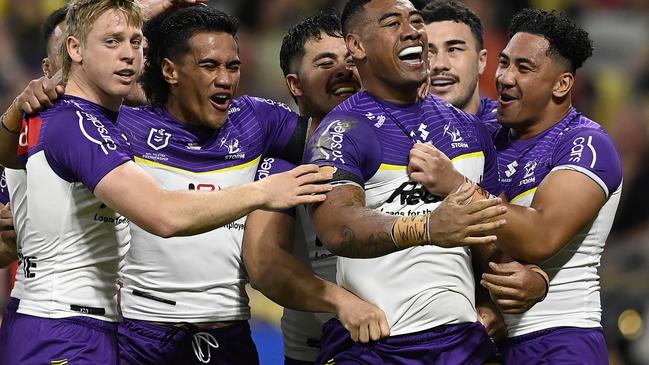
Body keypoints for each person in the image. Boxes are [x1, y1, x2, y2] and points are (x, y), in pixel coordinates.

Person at [0, 1, 331, 364]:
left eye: (135, 42)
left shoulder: (76, 119)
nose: (128, 55)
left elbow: (10, 152)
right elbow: (162, 215)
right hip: (69, 326)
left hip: (100, 327)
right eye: (112, 42)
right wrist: (264, 192)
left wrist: (14, 112)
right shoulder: (80, 123)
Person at [304, 0, 510, 363]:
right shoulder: (340, 131)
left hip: (463, 343)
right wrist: (428, 227)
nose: (412, 30)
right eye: (392, 22)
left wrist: (501, 297)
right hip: (375, 346)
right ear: (357, 46)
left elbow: (492, 237)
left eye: (416, 21)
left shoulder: (470, 130)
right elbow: (336, 226)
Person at [414, 7, 623, 364]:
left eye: (524, 68)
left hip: (560, 338)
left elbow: (541, 235)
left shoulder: (585, 144)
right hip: (486, 343)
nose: (506, 77)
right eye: (505, 63)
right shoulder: (488, 136)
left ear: (562, 84)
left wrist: (456, 184)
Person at [242, 12, 389, 365]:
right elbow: (264, 264)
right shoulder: (284, 165)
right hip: (315, 350)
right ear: (295, 85)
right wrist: (342, 302)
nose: (343, 69)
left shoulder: (406, 145)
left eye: (351, 60)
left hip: (412, 342)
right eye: (326, 62)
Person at [420, 0, 548, 331]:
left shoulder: (516, 137)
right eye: (428, 52)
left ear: (481, 61)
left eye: (454, 49)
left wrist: (532, 283)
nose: (440, 64)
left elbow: (536, 236)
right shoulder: (391, 132)